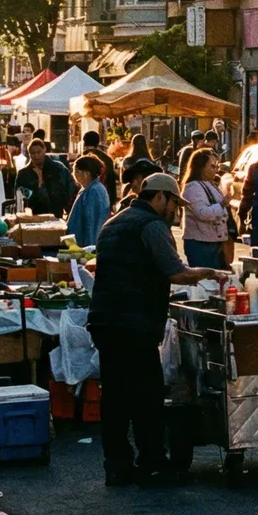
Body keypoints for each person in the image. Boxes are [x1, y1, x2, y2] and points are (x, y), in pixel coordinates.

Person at [88, 174, 225, 486]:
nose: (175, 210)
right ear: (160, 198)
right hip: (133, 323)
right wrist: (211, 274)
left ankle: (117, 465)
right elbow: (176, 271)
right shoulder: (151, 225)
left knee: (116, 397)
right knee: (146, 395)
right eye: (174, 203)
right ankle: (152, 463)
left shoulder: (115, 222)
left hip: (105, 320)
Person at [179, 148, 230, 270]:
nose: (216, 170)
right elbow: (202, 213)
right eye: (212, 166)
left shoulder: (210, 184)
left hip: (214, 242)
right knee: (205, 282)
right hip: (200, 244)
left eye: (217, 166)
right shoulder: (192, 187)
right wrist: (222, 204)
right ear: (200, 167)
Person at [65, 156, 112, 249]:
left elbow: (93, 224)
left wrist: (90, 249)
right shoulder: (88, 189)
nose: (73, 174)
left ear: (86, 173)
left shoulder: (95, 191)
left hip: (86, 247)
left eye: (76, 171)